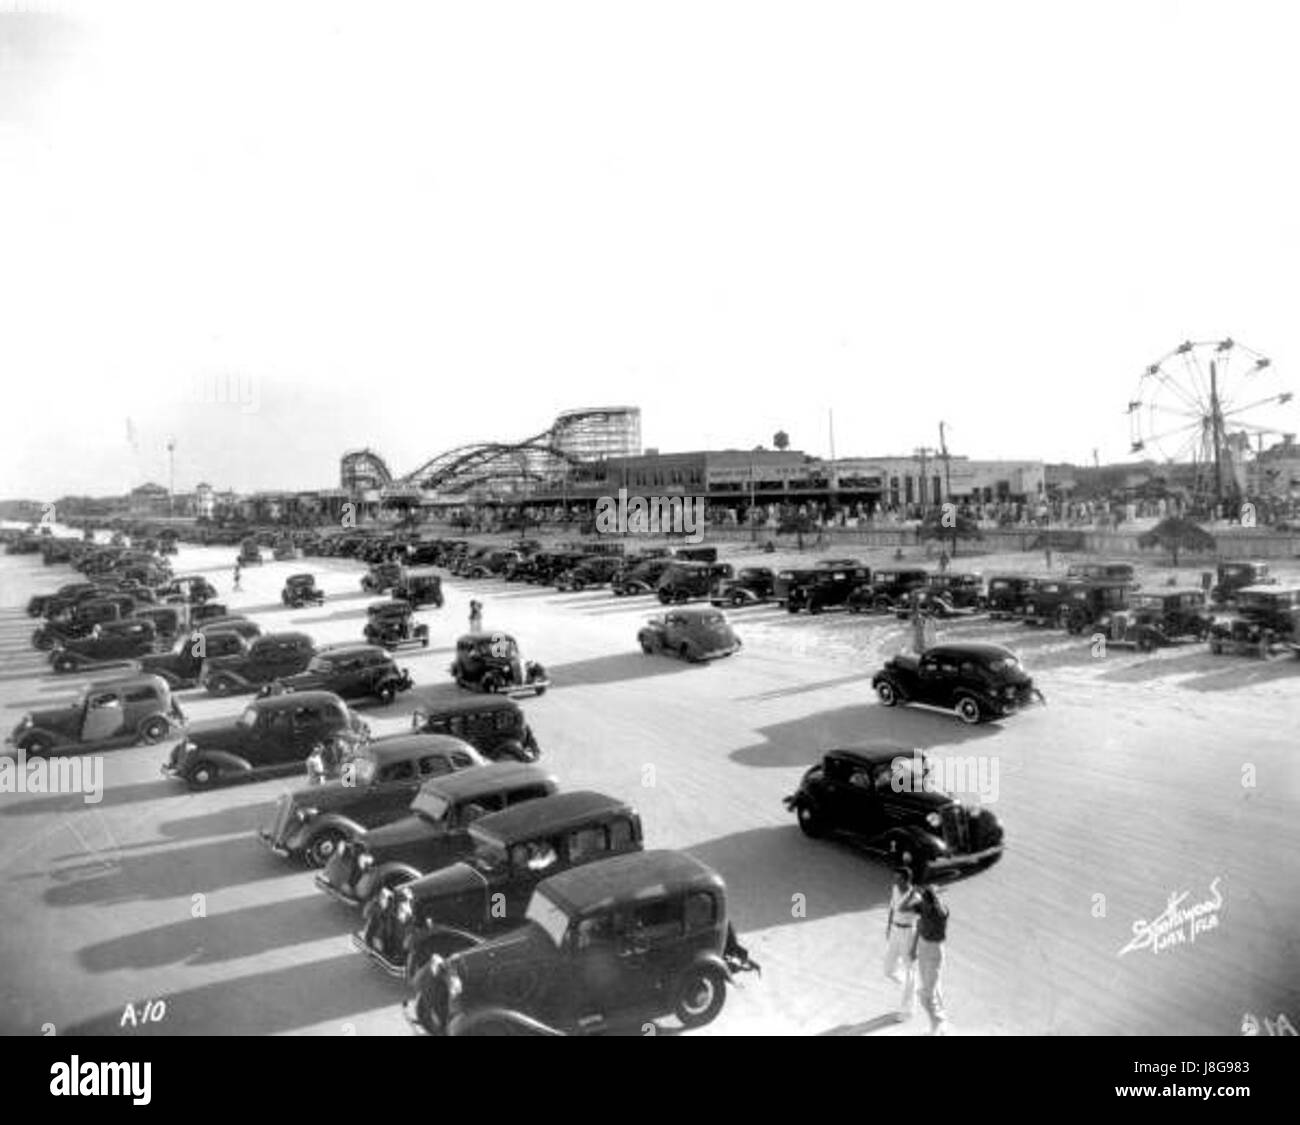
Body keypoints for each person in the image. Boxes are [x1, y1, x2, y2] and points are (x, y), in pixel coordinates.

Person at [911, 883, 950, 1035]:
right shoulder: (925, 906)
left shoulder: (939, 912)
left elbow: (939, 910)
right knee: (934, 990)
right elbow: (912, 906)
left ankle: (937, 1022)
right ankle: (941, 1024)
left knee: (926, 995)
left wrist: (931, 894)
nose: (923, 905)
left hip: (934, 951)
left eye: (926, 901)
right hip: (923, 948)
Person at [884, 868, 922, 1018]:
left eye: (899, 879)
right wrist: (888, 927)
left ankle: (907, 1010)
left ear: (907, 880)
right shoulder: (895, 889)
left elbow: (920, 923)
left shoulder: (917, 898)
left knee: (910, 971)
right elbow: (893, 908)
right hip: (895, 930)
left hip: (908, 934)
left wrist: (915, 946)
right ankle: (910, 987)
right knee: (888, 969)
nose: (895, 881)